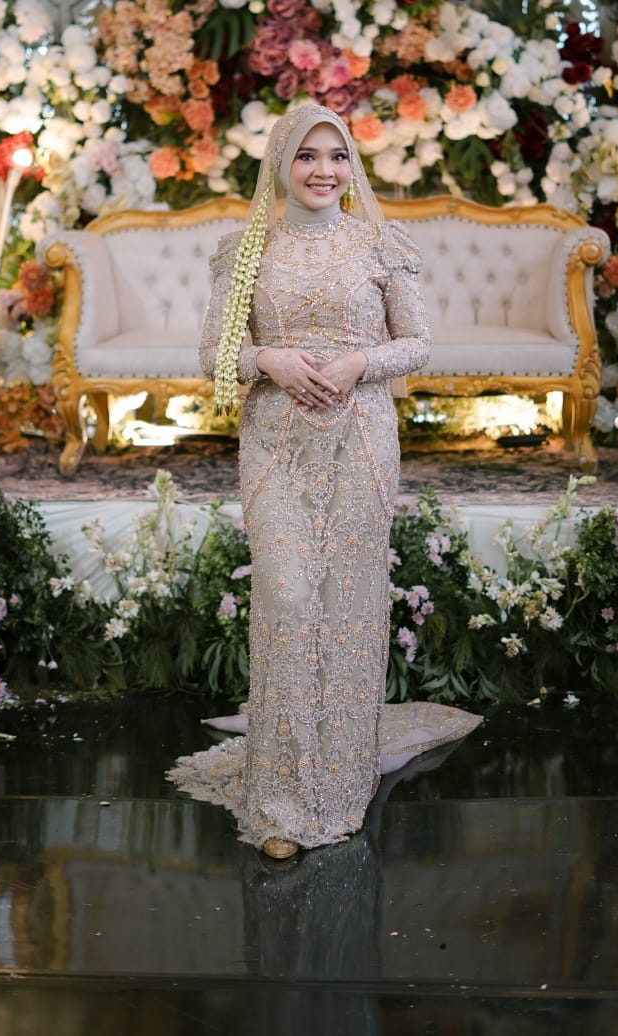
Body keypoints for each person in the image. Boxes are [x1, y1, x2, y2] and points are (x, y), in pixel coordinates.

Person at [167, 101, 480, 859]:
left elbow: (418, 343)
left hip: (360, 440)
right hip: (274, 442)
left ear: (351, 166)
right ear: (280, 164)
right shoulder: (245, 250)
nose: (322, 171)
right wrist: (267, 360)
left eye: (336, 156)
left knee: (346, 600)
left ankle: (337, 782)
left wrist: (358, 363)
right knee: (284, 592)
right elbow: (213, 354)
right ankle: (279, 798)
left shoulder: (379, 242)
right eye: (306, 156)